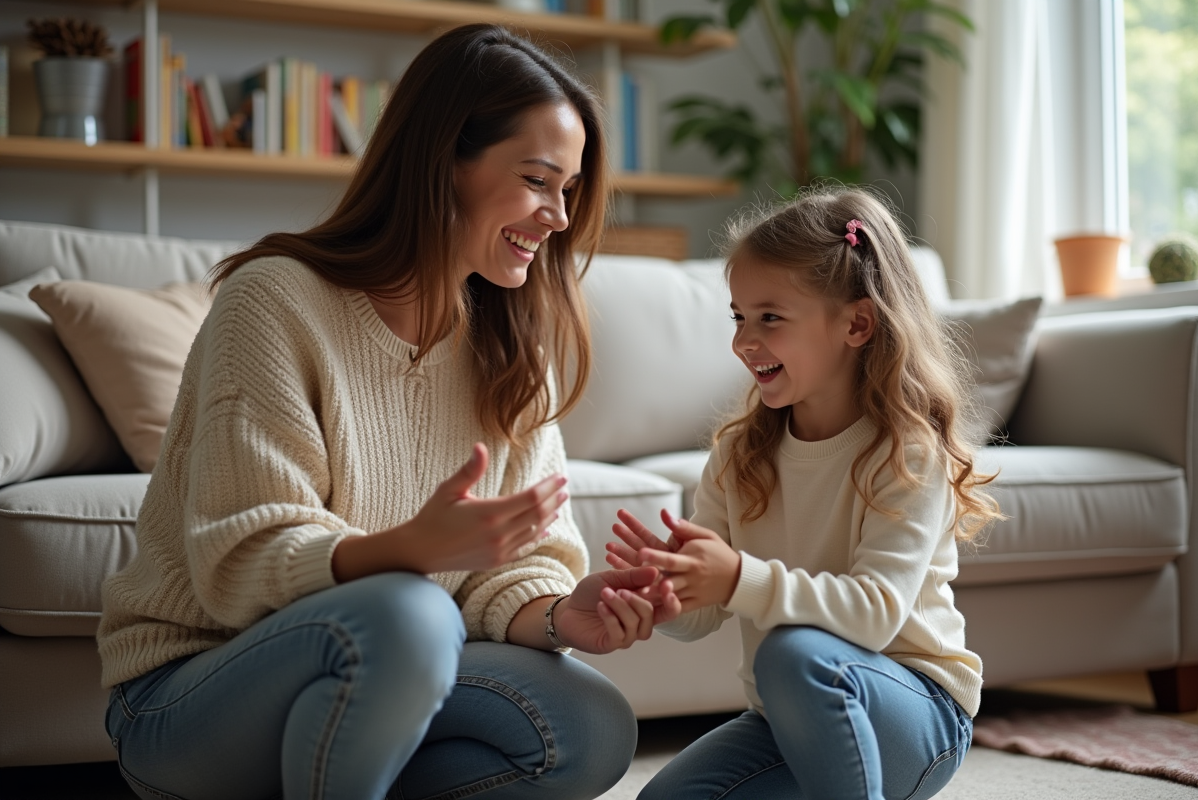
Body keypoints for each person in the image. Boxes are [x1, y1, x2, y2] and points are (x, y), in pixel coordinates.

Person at [97, 23, 668, 800]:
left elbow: (520, 568)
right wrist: (410, 548)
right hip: (192, 692)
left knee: (589, 721)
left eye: (567, 190)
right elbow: (238, 561)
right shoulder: (274, 301)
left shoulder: (508, 344)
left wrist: (565, 615)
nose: (558, 217)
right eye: (539, 180)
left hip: (387, 669)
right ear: (445, 164)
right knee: (413, 613)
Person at [607, 188, 1004, 799]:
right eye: (739, 317)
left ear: (856, 323)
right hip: (786, 719)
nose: (744, 340)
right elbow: (706, 613)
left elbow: (873, 616)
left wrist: (738, 576)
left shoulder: (906, 453)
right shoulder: (738, 457)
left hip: (916, 709)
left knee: (794, 655)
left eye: (770, 317)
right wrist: (669, 594)